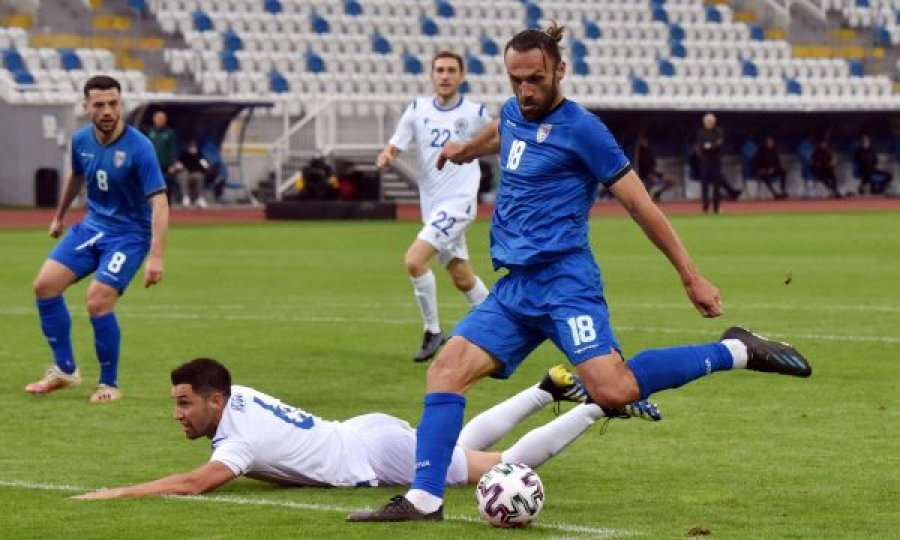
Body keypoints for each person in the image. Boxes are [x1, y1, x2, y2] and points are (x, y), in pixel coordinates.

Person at [349, 24, 812, 523]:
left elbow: (641, 207)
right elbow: (503, 130)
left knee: (612, 390)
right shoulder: (512, 110)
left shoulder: (584, 130)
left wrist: (690, 275)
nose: (525, 91)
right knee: (445, 371)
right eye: (516, 80)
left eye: (536, 79)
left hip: (566, 284)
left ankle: (735, 350)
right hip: (516, 288)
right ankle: (424, 499)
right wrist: (465, 149)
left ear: (559, 71)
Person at [72, 358, 660, 499]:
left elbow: (195, 483)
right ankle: (546, 390)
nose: (177, 414)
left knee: (504, 471)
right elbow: (281, 460)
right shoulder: (241, 401)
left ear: (214, 400)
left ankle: (595, 407)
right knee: (454, 449)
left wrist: (121, 492)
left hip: (374, 456)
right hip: (366, 434)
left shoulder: (238, 441)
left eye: (183, 404)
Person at [25, 75, 169, 403]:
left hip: (129, 236)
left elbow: (160, 202)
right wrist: (60, 216)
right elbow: (77, 176)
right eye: (100, 104)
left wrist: (156, 255)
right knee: (44, 286)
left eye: (113, 103)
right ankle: (64, 370)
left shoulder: (140, 147)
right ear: (86, 107)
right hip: (92, 228)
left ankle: (109, 384)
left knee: (98, 299)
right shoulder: (80, 141)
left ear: (121, 104)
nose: (107, 110)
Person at [375, 50, 493, 362]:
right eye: (439, 70)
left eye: (451, 70)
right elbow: (396, 143)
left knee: (415, 260)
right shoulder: (417, 110)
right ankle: (499, 323)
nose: (445, 75)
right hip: (433, 206)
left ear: (462, 76)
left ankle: (433, 330)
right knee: (462, 276)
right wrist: (388, 156)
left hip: (460, 202)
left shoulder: (476, 113)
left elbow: (500, 138)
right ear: (431, 75)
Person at [694, 113, 740, 213]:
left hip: (716, 161)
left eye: (711, 121)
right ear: (704, 122)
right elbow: (701, 147)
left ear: (714, 122)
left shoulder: (718, 132)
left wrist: (709, 147)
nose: (709, 123)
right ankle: (705, 207)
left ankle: (716, 207)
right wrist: (710, 147)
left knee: (716, 185)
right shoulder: (701, 133)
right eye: (707, 122)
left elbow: (719, 145)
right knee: (705, 185)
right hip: (705, 162)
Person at [145, 110, 179, 204]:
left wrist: (172, 164)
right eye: (158, 118)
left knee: (165, 185)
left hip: (165, 166)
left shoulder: (169, 133)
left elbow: (173, 149)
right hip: (152, 165)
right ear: (154, 119)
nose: (160, 120)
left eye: (162, 119)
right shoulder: (149, 132)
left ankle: (168, 204)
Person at [635, 135, 677, 202]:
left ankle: (658, 194)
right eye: (642, 141)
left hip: (653, 173)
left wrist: (655, 174)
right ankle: (645, 196)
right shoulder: (638, 152)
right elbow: (640, 167)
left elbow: (652, 167)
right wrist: (649, 174)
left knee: (672, 180)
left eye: (644, 140)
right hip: (643, 174)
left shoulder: (650, 151)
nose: (643, 142)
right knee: (651, 179)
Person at [172, 138, 209, 208]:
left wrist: (205, 165)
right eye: (191, 147)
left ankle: (200, 198)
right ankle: (185, 197)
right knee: (182, 176)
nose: (192, 148)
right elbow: (177, 164)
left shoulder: (199, 155)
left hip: (195, 173)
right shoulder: (184, 154)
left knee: (199, 176)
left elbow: (205, 166)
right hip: (185, 174)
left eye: (194, 147)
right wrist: (178, 166)